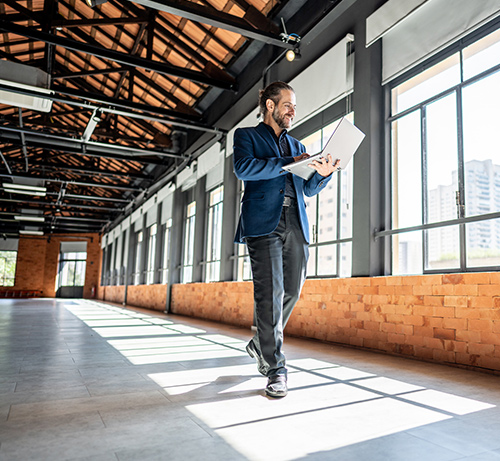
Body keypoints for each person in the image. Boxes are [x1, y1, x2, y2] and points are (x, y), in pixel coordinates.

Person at [233, 81, 339, 397]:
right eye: (287, 104)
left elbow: (306, 188)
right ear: (270, 105)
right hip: (263, 224)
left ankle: (260, 344)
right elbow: (244, 168)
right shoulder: (247, 136)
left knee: (291, 290)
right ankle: (275, 369)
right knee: (271, 294)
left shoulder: (297, 146)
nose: (293, 110)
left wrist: (323, 172)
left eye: (294, 105)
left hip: (296, 223)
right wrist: (287, 164)